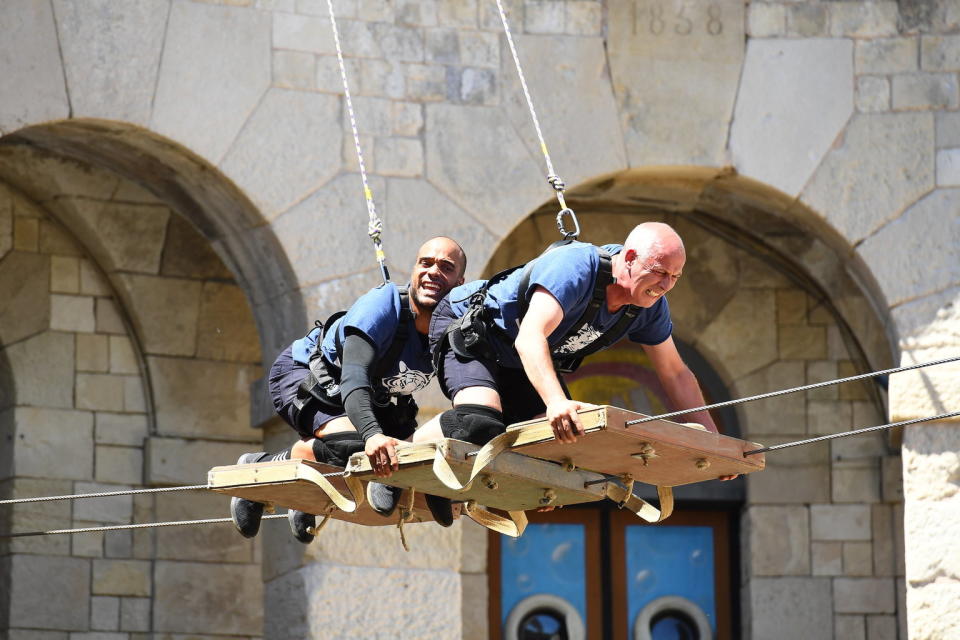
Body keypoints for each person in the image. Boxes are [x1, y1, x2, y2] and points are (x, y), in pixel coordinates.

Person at [415, 223, 734, 519]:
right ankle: (407, 449)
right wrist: (555, 402)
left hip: (518, 359)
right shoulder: (577, 268)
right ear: (631, 258)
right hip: (472, 332)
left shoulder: (648, 307)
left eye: (675, 277)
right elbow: (530, 337)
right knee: (478, 423)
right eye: (659, 272)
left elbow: (675, 373)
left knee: (565, 442)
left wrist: (715, 444)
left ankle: (449, 483)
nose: (665, 285)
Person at [230, 236, 467, 540]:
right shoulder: (383, 306)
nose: (433, 271)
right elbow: (353, 377)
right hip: (308, 377)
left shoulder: (453, 329)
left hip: (377, 399)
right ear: (413, 270)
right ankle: (260, 469)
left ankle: (313, 475)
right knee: (353, 446)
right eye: (425, 263)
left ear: (460, 281)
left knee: (416, 447)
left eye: (445, 267)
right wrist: (372, 436)